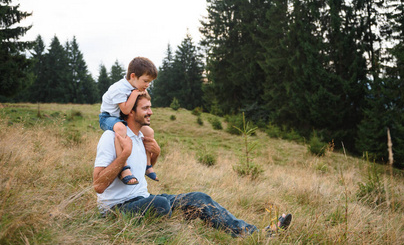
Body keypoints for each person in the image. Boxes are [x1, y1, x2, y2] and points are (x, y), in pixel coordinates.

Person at [93, 93, 292, 237]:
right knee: (161, 205)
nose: (150, 112)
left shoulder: (140, 137)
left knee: (199, 198)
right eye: (145, 108)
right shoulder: (111, 137)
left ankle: (255, 234)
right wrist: (124, 155)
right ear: (129, 111)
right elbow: (98, 185)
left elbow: (140, 172)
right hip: (116, 209)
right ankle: (175, 220)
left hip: (144, 199)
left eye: (150, 107)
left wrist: (156, 154)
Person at [99, 56, 159, 185]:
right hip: (108, 117)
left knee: (148, 131)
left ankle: (148, 165)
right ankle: (124, 168)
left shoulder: (137, 87)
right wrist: (134, 94)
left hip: (121, 118)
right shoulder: (119, 88)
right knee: (120, 128)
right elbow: (126, 110)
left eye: (150, 82)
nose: (147, 85)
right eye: (145, 81)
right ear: (133, 76)